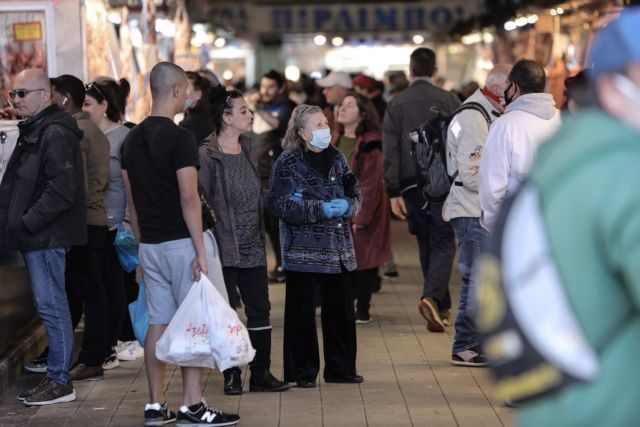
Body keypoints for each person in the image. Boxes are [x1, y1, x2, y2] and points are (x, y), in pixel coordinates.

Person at [491, 9, 640, 425]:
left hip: (563, 401)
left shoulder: (566, 155)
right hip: (612, 404)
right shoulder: (622, 172)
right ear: (612, 88)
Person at [121, 62, 239, 426]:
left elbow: (132, 203)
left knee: (158, 321)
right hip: (181, 244)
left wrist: (142, 245)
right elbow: (190, 199)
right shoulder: (180, 138)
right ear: (174, 91)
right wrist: (201, 251)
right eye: (186, 90)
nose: (188, 96)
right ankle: (193, 405)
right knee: (195, 323)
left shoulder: (130, 139)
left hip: (151, 245)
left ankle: (155, 405)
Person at [0, 69, 85, 405]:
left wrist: (26, 222)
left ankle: (59, 381)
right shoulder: (38, 128)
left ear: (46, 93)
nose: (16, 100)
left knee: (52, 306)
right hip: (38, 235)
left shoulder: (54, 132)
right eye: (12, 95)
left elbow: (62, 190)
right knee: (49, 304)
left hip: (45, 236)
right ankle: (56, 377)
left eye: (23, 93)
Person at [198, 85, 290, 395]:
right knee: (226, 313)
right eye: (243, 111)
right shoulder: (207, 154)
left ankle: (260, 371)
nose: (250, 115)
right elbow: (200, 202)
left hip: (253, 242)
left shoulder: (248, 146)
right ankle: (231, 374)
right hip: (223, 246)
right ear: (225, 118)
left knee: (260, 309)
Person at [270, 104, 363, 388]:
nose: (326, 129)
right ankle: (302, 372)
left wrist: (348, 205)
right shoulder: (288, 161)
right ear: (302, 133)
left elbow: (354, 191)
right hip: (303, 251)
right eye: (318, 126)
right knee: (301, 314)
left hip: (338, 250)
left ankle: (341, 369)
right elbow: (280, 204)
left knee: (341, 311)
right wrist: (320, 208)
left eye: (325, 122)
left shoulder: (337, 157)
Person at [382, 47, 460, 333]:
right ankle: (435, 299)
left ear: (410, 70)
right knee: (443, 241)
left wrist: (393, 191)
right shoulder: (449, 99)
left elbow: (389, 150)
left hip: (411, 183)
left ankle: (438, 304)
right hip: (444, 184)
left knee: (427, 242)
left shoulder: (396, 102)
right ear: (435, 71)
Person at [442, 64, 511, 367]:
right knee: (476, 278)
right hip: (471, 211)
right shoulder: (474, 117)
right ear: (500, 89)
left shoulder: (487, 113)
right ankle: (465, 346)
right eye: (512, 88)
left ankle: (474, 342)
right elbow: (472, 175)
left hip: (478, 209)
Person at [50, 74, 111, 382]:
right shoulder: (89, 129)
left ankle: (92, 358)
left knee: (90, 292)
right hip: (91, 222)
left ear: (64, 98)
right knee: (81, 291)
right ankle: (77, 354)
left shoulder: (78, 132)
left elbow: (79, 188)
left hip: (83, 223)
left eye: (51, 95)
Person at [479, 59, 562, 232]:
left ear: (514, 88)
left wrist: (494, 226)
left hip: (518, 225)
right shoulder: (564, 121)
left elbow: (493, 187)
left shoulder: (504, 126)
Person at [83, 80, 131, 369]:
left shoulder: (123, 137)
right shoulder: (85, 135)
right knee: (97, 286)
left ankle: (110, 345)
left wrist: (126, 219)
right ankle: (103, 344)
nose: (85, 109)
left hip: (115, 225)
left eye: (89, 104)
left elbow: (130, 184)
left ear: (104, 106)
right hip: (93, 223)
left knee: (113, 285)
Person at [332, 92, 391, 324]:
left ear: (363, 113)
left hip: (361, 209)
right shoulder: (334, 138)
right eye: (342, 105)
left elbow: (369, 184)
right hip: (337, 210)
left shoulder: (370, 144)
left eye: (349, 105)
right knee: (342, 261)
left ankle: (362, 306)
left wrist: (360, 216)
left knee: (363, 260)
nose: (342, 109)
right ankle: (345, 305)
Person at [249, 69, 296, 284]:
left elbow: (277, 125)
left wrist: (257, 107)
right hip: (259, 172)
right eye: (263, 86)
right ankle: (278, 264)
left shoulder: (287, 107)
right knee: (267, 224)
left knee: (278, 224)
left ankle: (285, 265)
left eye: (270, 87)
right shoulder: (260, 107)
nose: (265, 91)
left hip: (279, 174)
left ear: (280, 88)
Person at [179, 71, 212, 143]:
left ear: (198, 94)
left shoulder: (188, 126)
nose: (179, 93)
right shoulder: (212, 118)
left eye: (185, 88)